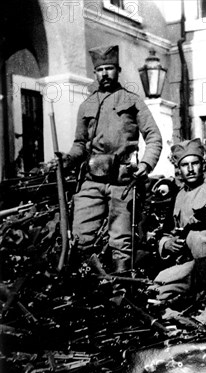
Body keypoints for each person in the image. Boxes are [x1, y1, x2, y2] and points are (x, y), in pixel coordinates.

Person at [61, 45, 162, 272]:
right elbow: (79, 144)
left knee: (121, 240)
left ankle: (122, 290)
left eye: (109, 69)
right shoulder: (86, 105)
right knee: (80, 235)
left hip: (123, 180)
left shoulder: (132, 101)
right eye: (100, 70)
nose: (104, 74)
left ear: (118, 70)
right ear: (95, 74)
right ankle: (95, 282)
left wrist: (146, 164)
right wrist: (66, 159)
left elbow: (154, 136)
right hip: (92, 180)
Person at [154, 138, 206, 323]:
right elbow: (167, 232)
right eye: (185, 165)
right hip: (192, 262)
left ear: (203, 164)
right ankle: (191, 301)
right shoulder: (179, 195)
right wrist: (168, 243)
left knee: (198, 236)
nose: (190, 169)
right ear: (179, 168)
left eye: (195, 163)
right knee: (157, 288)